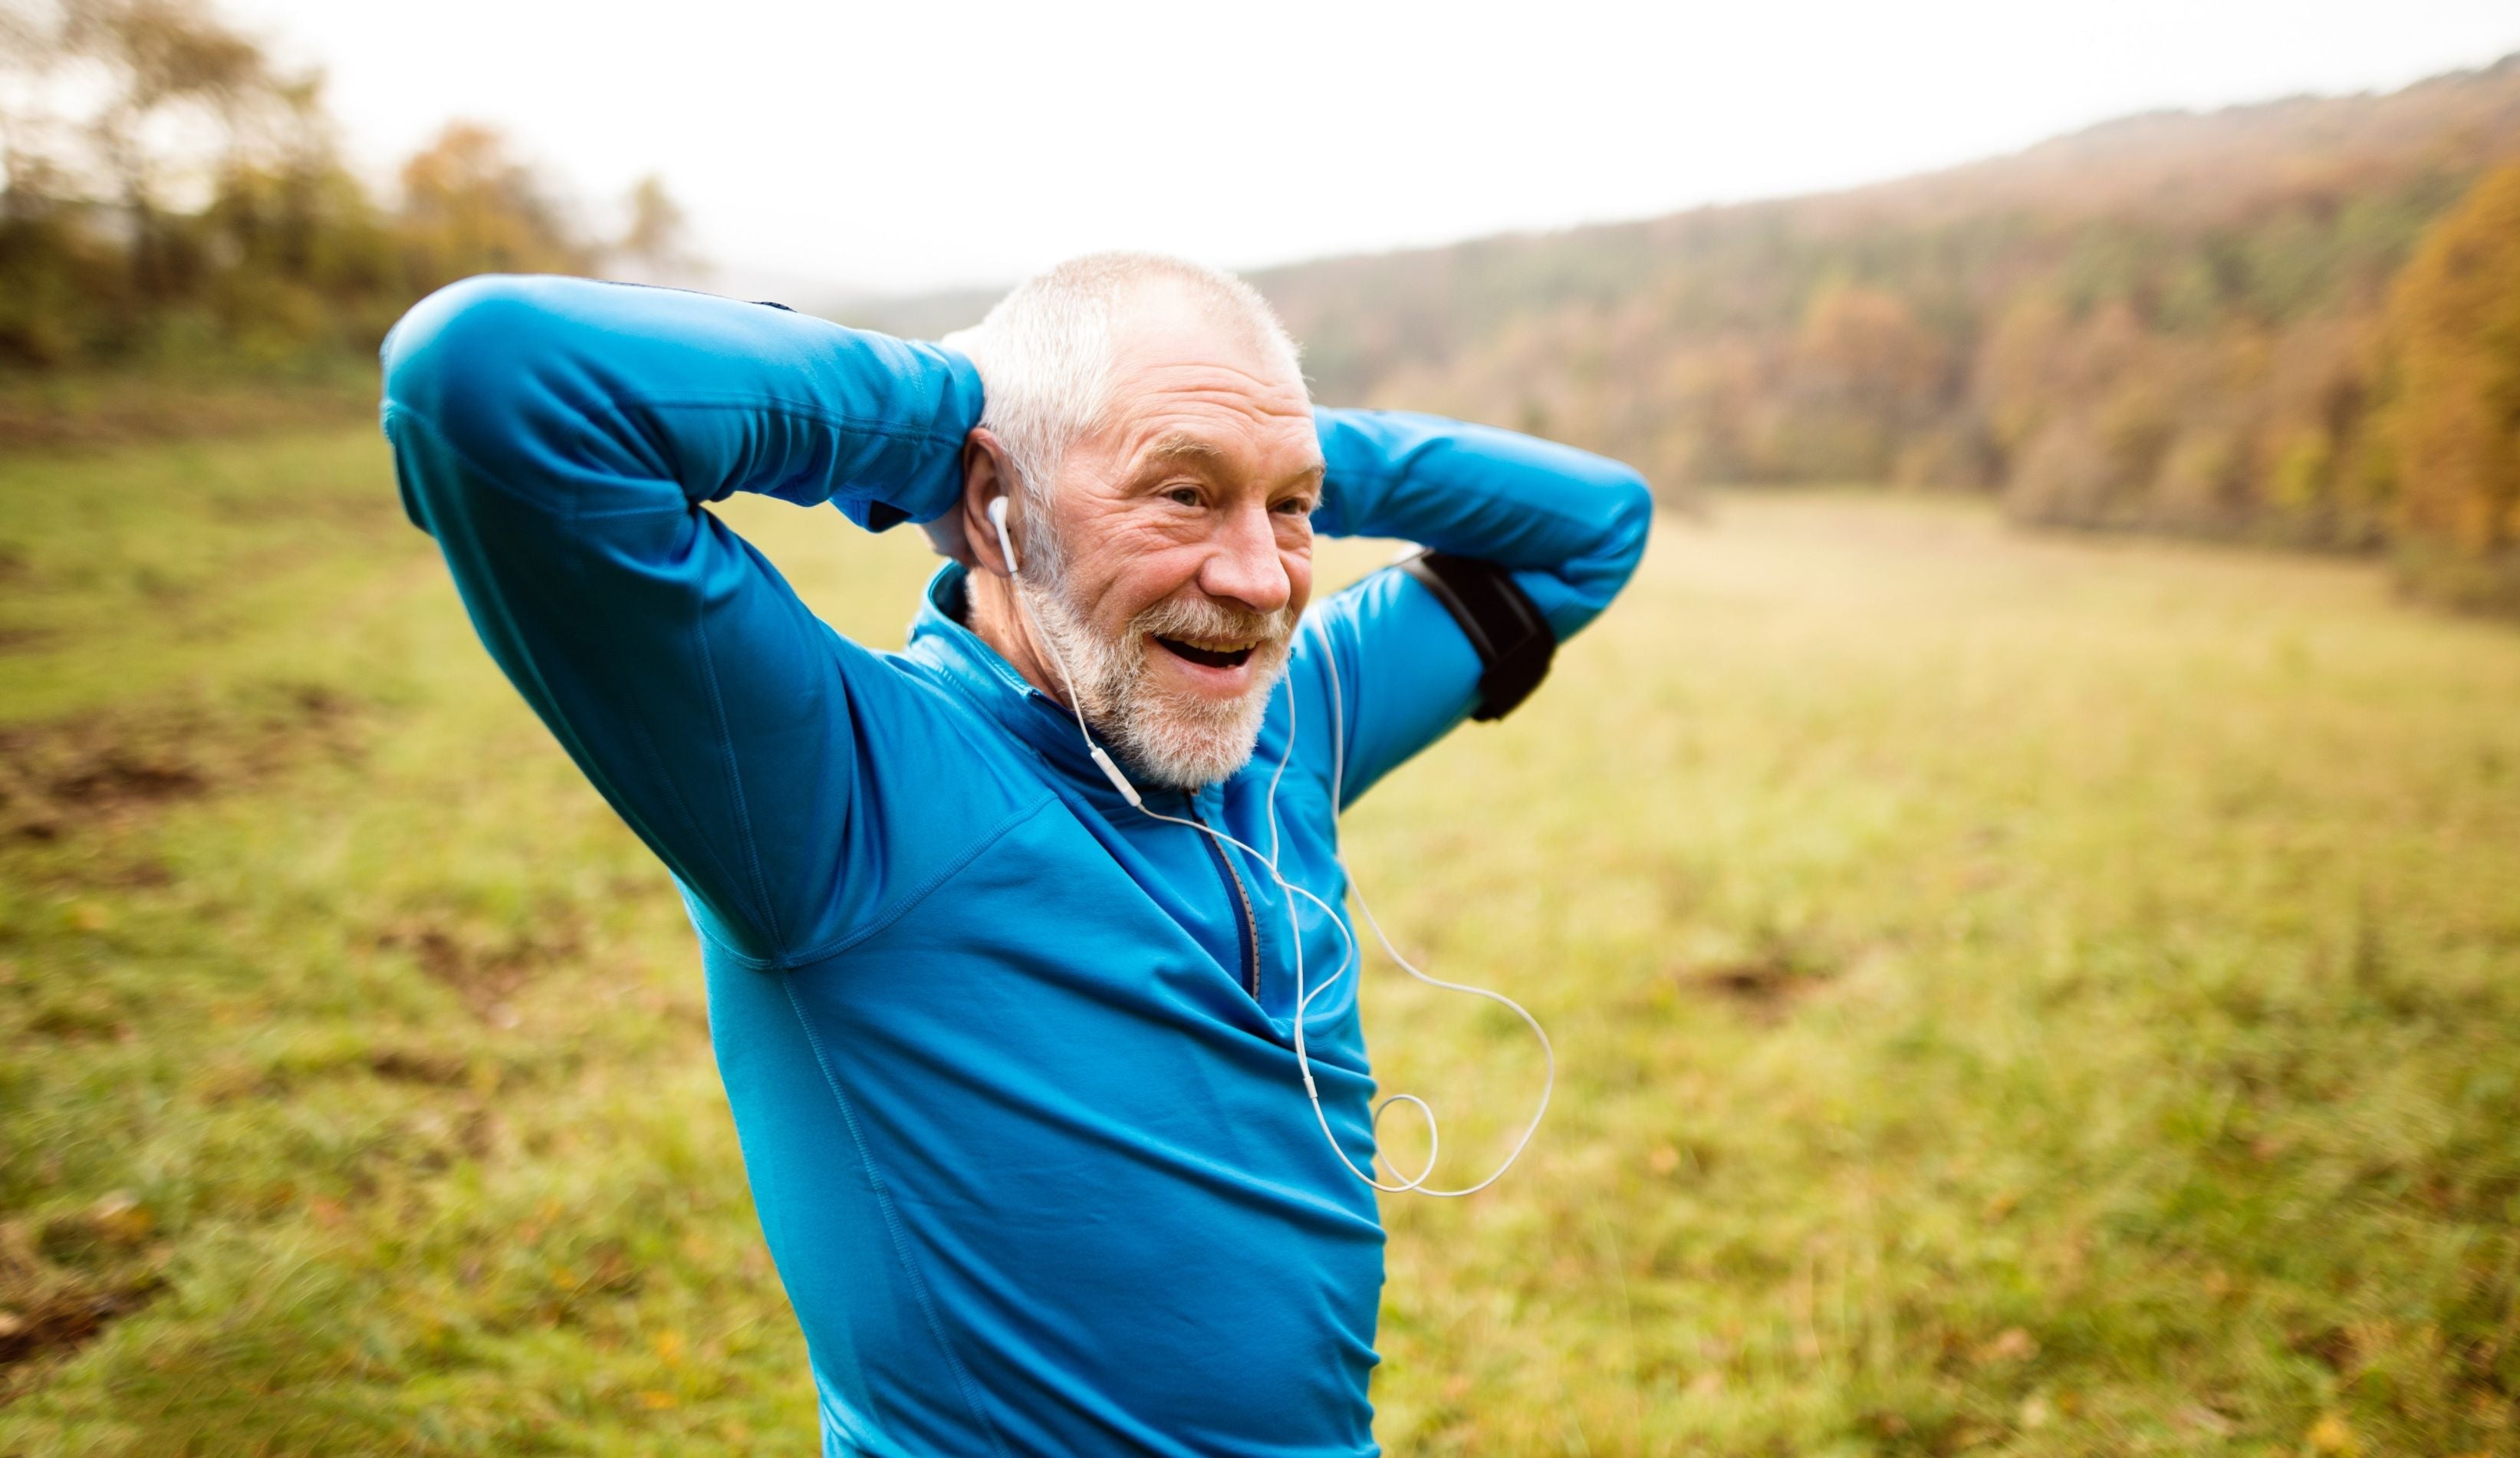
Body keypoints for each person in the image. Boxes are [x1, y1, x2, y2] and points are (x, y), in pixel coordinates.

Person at [380, 252, 1651, 1457]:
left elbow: (1596, 523)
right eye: (1181, 493)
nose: (1263, 582)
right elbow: (491, 378)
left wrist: (1260, 443)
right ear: (993, 505)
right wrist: (962, 429)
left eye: (1294, 512)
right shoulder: (847, 788)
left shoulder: (1282, 724)